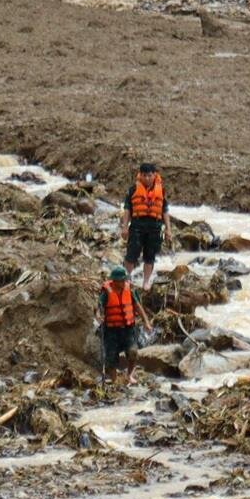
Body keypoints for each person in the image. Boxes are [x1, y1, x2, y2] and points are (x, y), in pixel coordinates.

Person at [122, 162, 166, 292]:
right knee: (131, 254)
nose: (147, 178)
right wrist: (124, 227)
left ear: (154, 175)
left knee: (150, 256)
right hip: (137, 224)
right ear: (140, 175)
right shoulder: (133, 189)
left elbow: (165, 210)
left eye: (150, 175)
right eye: (144, 175)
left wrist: (168, 229)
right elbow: (127, 209)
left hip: (155, 226)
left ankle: (146, 281)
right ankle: (128, 278)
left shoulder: (161, 190)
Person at [97, 265, 140, 384]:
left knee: (133, 352)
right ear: (115, 281)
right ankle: (114, 380)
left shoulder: (129, 289)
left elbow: (137, 306)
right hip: (111, 330)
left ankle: (129, 375)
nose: (124, 282)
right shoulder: (106, 292)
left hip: (128, 328)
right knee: (111, 357)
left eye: (124, 280)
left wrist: (146, 321)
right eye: (121, 280)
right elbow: (99, 306)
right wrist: (98, 316)